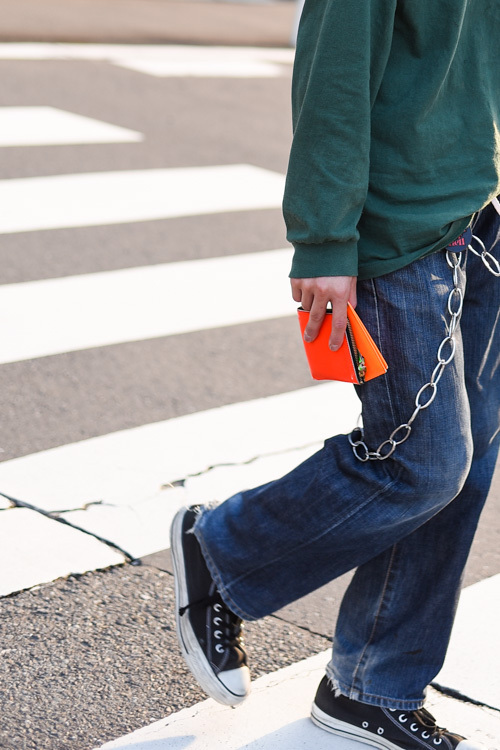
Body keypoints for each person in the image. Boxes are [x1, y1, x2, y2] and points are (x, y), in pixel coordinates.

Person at [170, 1, 500, 748]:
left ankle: (373, 687)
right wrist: (324, 238)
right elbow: (335, 70)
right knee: (422, 465)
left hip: (481, 217)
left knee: (468, 467)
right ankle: (221, 551)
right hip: (397, 227)